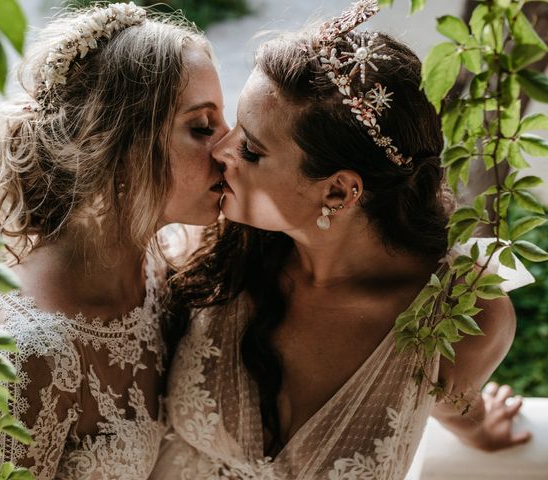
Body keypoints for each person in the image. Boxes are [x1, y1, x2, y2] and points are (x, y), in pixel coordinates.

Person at [151, 1, 532, 478]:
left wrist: (481, 429)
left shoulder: (463, 313)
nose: (220, 150)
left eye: (250, 148)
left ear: (338, 191)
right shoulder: (206, 244)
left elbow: (450, 401)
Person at [0, 3, 228, 479]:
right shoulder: (28, 351)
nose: (229, 147)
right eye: (202, 127)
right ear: (117, 148)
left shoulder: (160, 264)